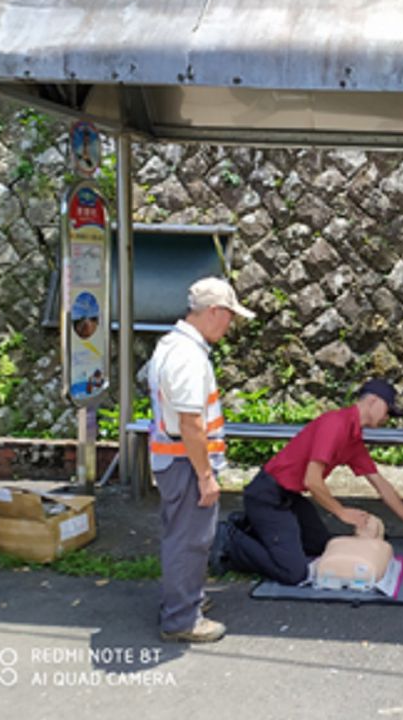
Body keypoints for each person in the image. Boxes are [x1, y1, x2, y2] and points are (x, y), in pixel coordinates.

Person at [220, 379, 403, 585]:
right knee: (294, 574)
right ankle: (230, 540)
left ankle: (258, 529)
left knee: (322, 546)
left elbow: (381, 484)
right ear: (372, 401)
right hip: (267, 496)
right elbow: (312, 481)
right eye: (388, 411)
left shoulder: (354, 439)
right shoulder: (334, 424)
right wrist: (341, 512)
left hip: (291, 498)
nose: (387, 418)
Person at [147, 276, 255, 643]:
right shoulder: (187, 356)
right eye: (229, 317)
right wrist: (206, 475)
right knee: (190, 540)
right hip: (185, 463)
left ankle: (185, 601)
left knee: (182, 535)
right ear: (214, 312)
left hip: (175, 461)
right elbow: (192, 424)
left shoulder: (172, 345)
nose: (230, 325)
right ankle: (181, 619)